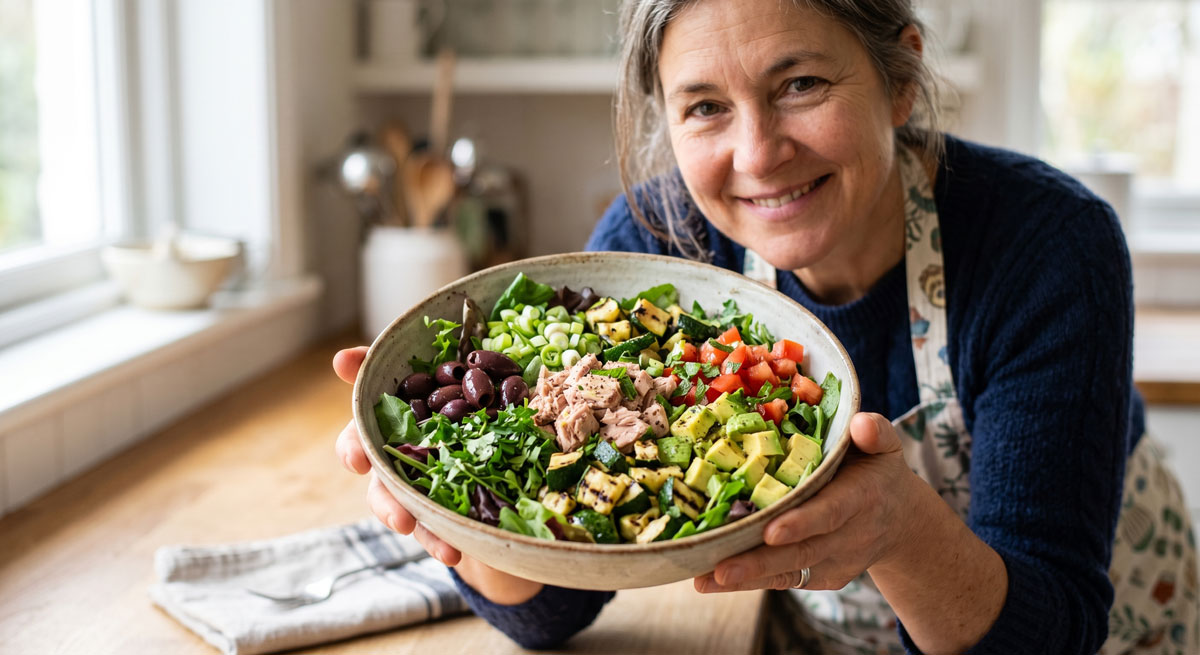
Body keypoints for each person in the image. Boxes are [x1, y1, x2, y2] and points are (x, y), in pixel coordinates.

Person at [333, 0, 1199, 652]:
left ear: (900, 81)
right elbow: (556, 606)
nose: (757, 154)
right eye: (704, 106)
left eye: (801, 84)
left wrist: (900, 527)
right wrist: (459, 522)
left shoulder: (1048, 246)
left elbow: (1053, 626)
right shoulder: (656, 246)